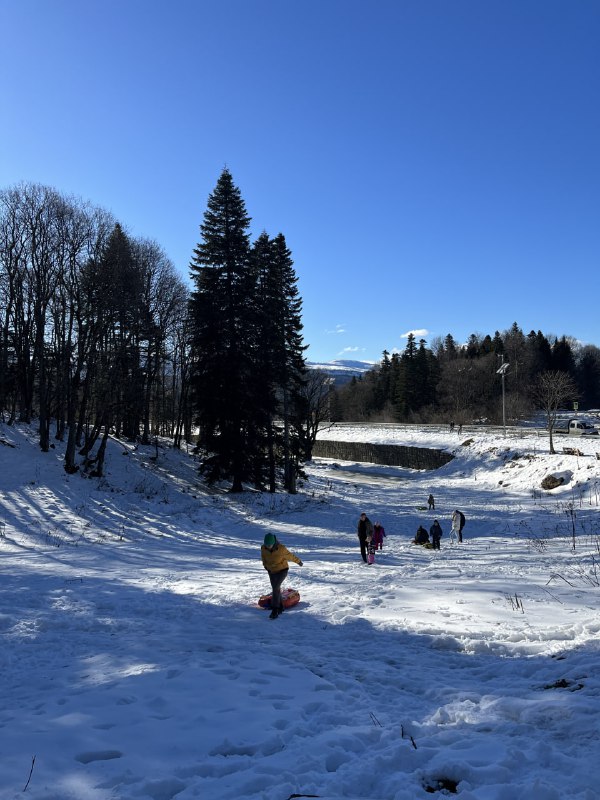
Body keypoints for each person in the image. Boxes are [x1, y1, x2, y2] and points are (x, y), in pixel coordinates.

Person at [261, 533, 303, 619]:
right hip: (271, 571)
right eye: (266, 544)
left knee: (276, 587)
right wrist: (265, 566)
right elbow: (263, 558)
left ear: (274, 543)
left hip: (282, 571)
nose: (268, 546)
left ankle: (275, 610)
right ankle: (281, 607)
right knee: (275, 588)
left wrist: (298, 561)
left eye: (270, 545)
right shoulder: (263, 548)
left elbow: (290, 556)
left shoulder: (281, 549)